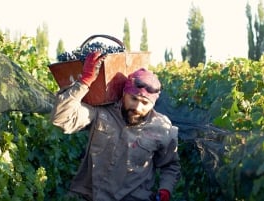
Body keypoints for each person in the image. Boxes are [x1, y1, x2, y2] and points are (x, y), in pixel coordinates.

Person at [51, 51, 181, 201]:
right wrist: (84, 82)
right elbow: (60, 118)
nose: (137, 107)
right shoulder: (101, 114)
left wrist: (165, 189)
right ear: (124, 94)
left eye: (145, 103)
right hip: (90, 197)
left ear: (153, 104)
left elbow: (170, 165)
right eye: (133, 99)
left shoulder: (162, 129)